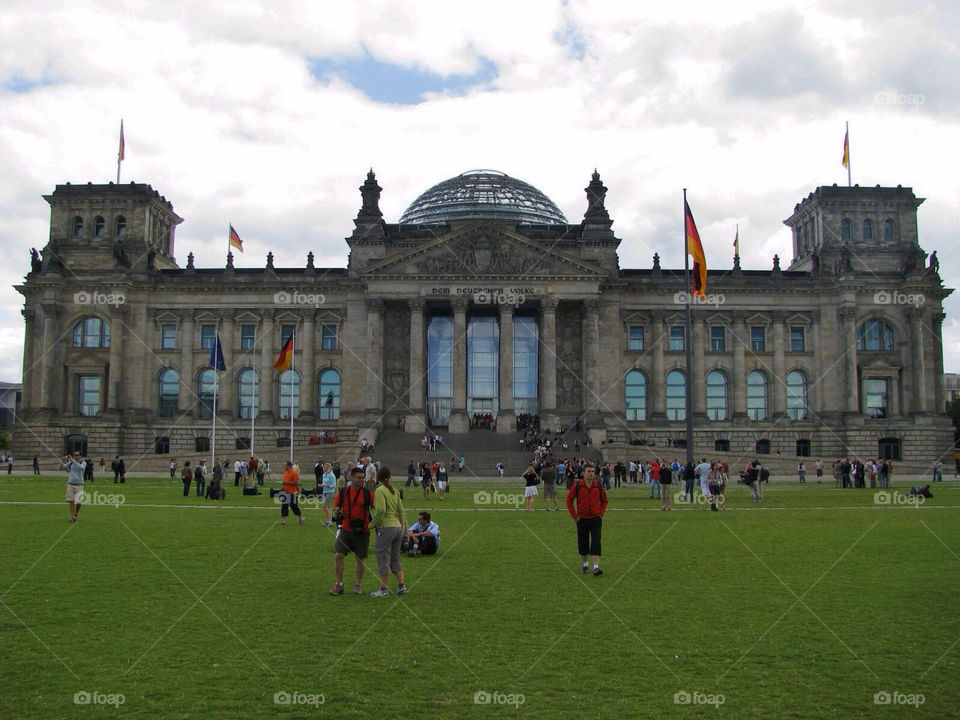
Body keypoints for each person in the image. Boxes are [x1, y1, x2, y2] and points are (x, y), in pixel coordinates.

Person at [330, 468, 374, 595]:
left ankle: (358, 584)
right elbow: (336, 506)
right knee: (338, 555)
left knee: (360, 558)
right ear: (351, 478)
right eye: (359, 478)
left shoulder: (367, 494)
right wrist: (337, 510)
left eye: (362, 477)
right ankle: (339, 583)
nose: (361, 480)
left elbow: (376, 507)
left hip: (363, 530)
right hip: (346, 529)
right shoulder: (343, 492)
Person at [369, 466, 407, 597]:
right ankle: (401, 585)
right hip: (397, 528)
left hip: (386, 528)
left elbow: (381, 510)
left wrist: (371, 525)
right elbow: (401, 511)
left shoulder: (380, 490)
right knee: (395, 558)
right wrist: (402, 527)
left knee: (383, 557)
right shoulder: (394, 490)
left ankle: (383, 589)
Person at [566, 464, 607, 576]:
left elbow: (604, 501)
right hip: (582, 518)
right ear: (583, 473)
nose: (591, 473)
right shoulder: (578, 486)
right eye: (589, 471)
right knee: (583, 542)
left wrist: (601, 514)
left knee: (596, 541)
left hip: (595, 518)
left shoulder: (598, 486)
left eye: (593, 471)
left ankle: (596, 567)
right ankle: (585, 564)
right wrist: (574, 516)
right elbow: (569, 500)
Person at [60, 451, 86, 522]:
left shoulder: (82, 462)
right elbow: (63, 467)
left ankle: (76, 513)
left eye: (77, 455)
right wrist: (63, 461)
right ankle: (73, 516)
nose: (76, 456)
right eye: (75, 455)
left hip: (79, 484)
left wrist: (72, 460)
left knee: (79, 502)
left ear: (80, 456)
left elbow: (81, 467)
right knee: (71, 501)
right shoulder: (71, 463)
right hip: (71, 484)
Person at [278, 460, 304, 525]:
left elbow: (296, 483)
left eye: (285, 465)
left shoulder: (294, 473)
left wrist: (287, 482)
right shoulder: (285, 473)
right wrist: (283, 488)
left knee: (294, 507)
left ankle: (301, 517)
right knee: (284, 506)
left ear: (289, 466)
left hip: (293, 492)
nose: (283, 466)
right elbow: (285, 482)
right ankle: (283, 520)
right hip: (285, 491)